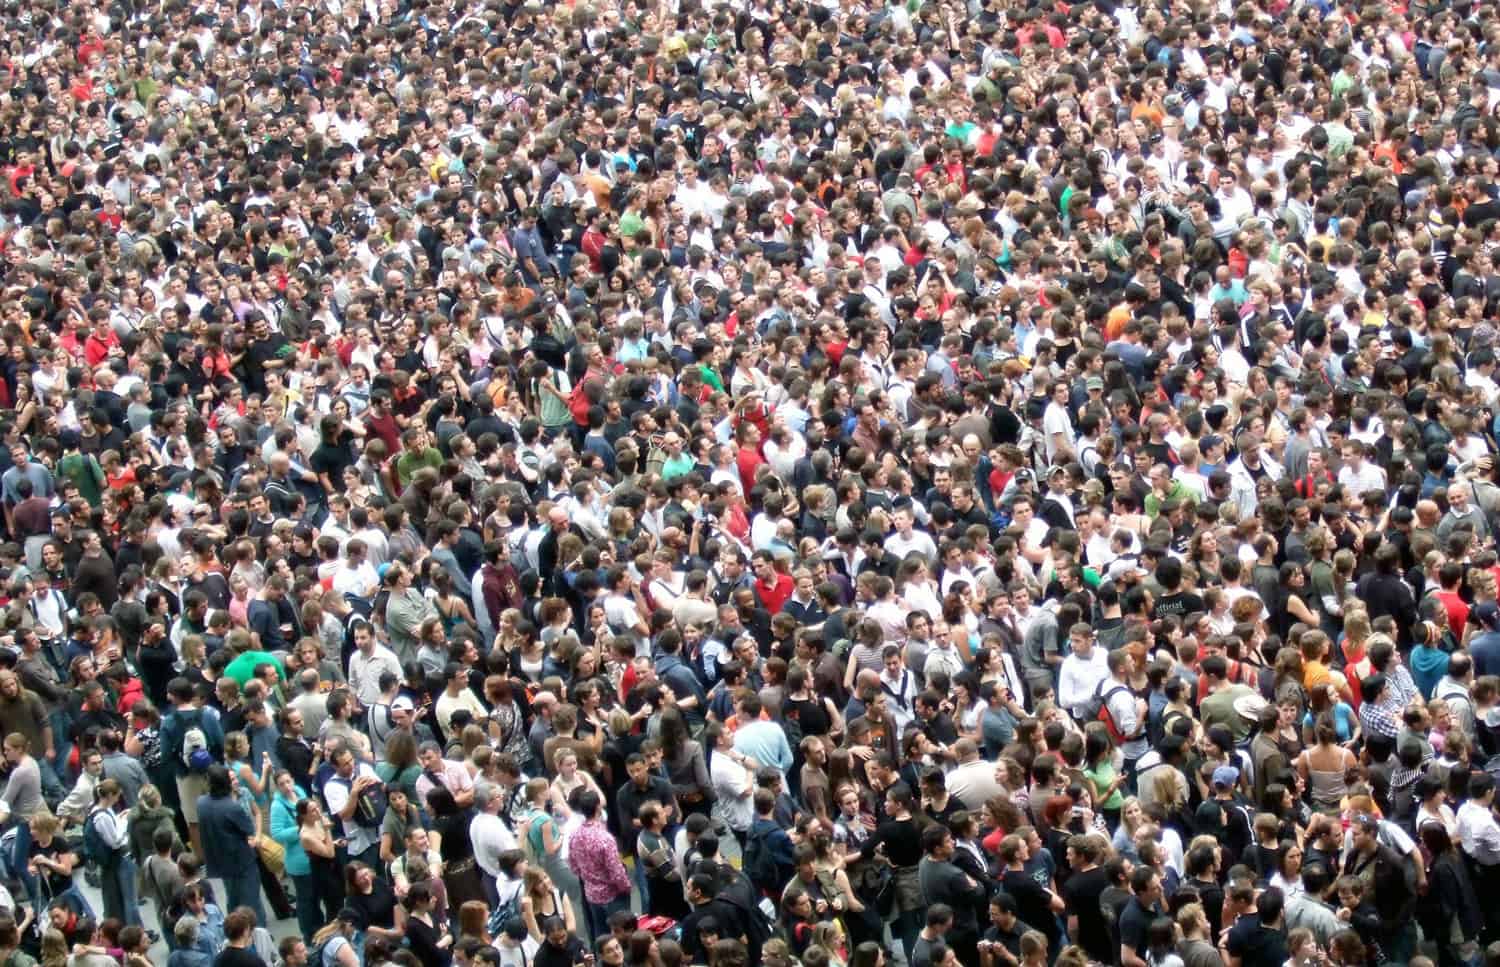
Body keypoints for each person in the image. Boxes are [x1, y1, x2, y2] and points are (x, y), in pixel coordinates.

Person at [195, 766, 266, 929]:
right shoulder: (232, 807)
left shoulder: (201, 803)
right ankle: (258, 936)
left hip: (221, 862)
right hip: (242, 862)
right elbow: (249, 829)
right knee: (252, 903)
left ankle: (236, 933)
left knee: (233, 901)